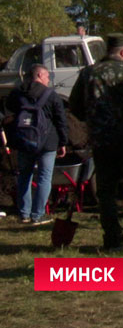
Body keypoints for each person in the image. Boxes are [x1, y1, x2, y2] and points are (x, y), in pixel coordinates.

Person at [68, 33, 123, 251]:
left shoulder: (88, 73)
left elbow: (74, 106)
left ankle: (112, 238)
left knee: (106, 189)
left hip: (102, 139)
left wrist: (94, 120)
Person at [4, 64, 68, 225]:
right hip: (47, 143)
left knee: (24, 176)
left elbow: (9, 109)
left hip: (24, 141)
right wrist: (63, 142)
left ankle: (24, 214)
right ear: (39, 75)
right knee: (44, 178)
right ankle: (37, 215)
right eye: (47, 76)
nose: (48, 80)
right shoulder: (51, 95)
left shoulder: (17, 92)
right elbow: (61, 120)